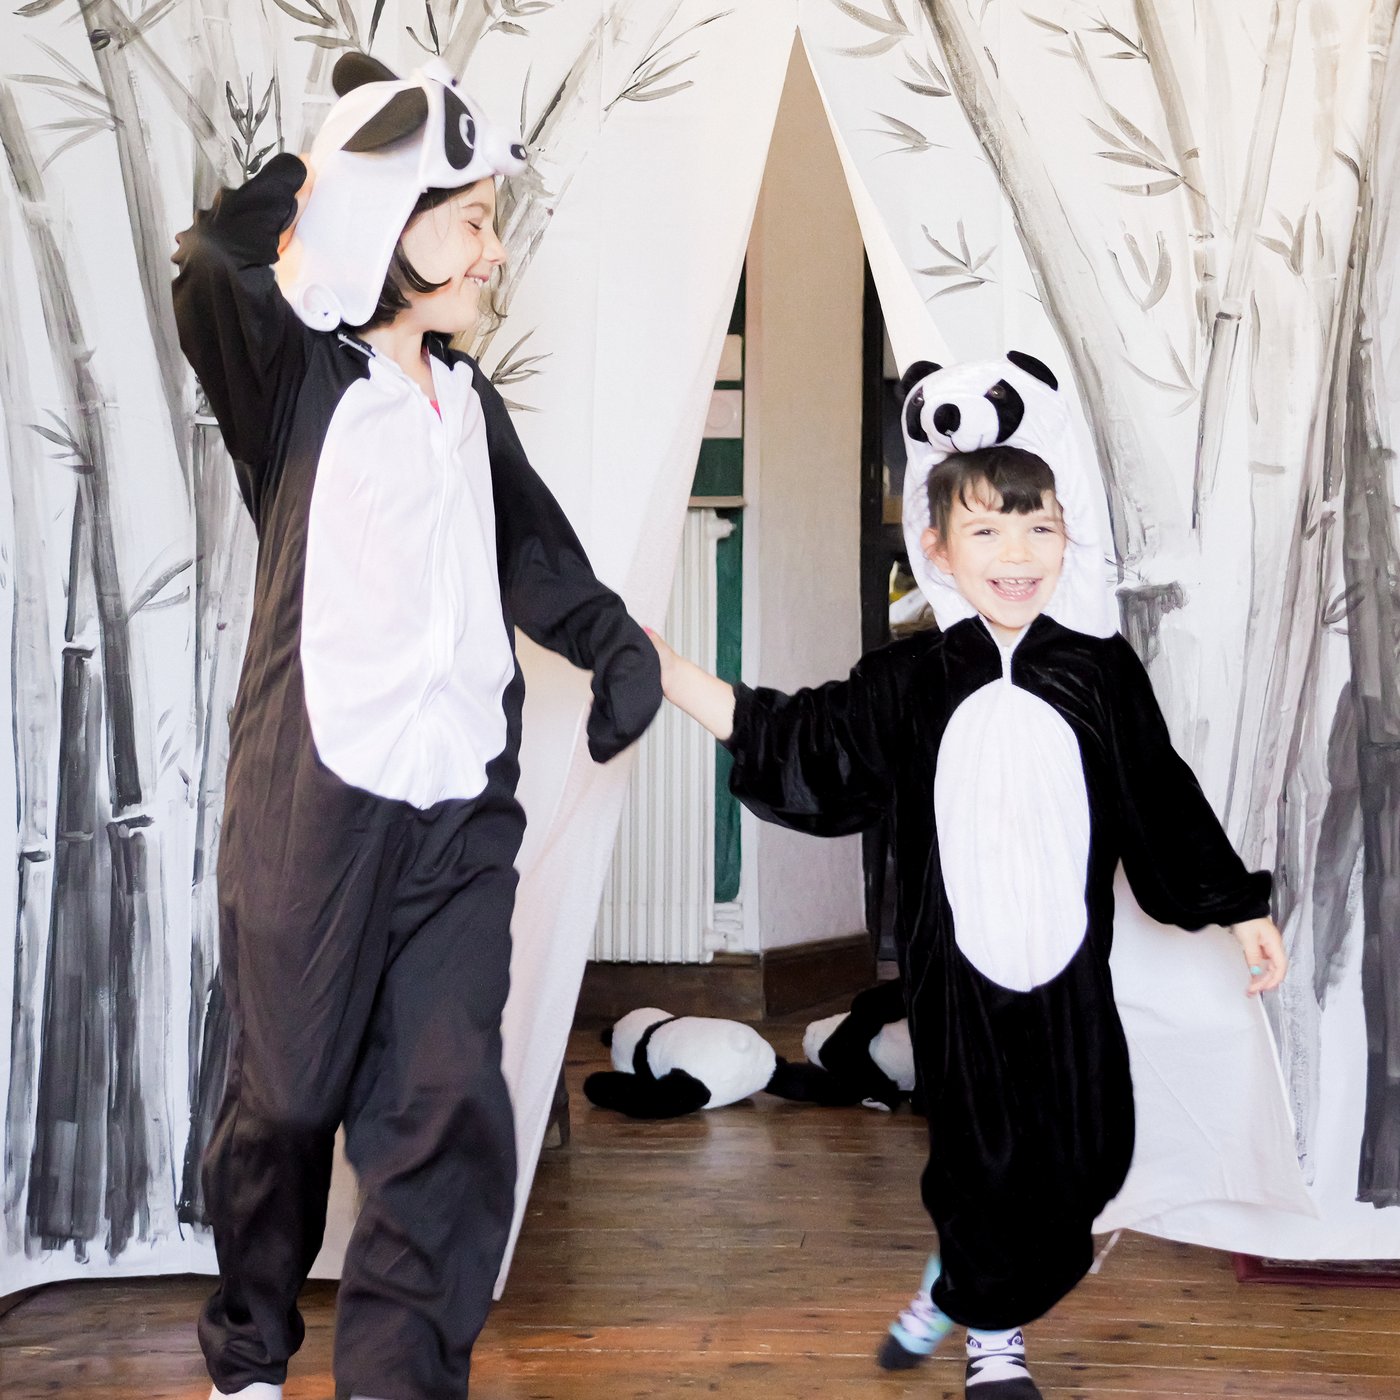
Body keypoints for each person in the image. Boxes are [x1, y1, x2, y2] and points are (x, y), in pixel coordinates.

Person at [648, 353, 1287, 1400]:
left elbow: (1157, 796)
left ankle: (958, 1280)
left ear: (1064, 535)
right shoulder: (910, 681)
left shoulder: (1093, 668)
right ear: (936, 548)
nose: (1016, 552)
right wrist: (672, 674)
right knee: (982, 1159)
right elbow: (804, 742)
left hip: (1070, 967)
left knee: (1088, 1156)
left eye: (1036, 525)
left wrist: (1235, 909)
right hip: (959, 977)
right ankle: (991, 1336)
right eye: (985, 529)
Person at [172, 53, 660, 1400]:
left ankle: (400, 1378)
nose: (496, 249)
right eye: (472, 217)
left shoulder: (468, 408)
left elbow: (534, 555)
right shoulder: (294, 386)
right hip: (312, 810)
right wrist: (331, 178)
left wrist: (611, 647)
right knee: (281, 1103)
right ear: (389, 227)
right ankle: (250, 1359)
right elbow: (217, 261)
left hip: (459, 817)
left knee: (447, 1102)